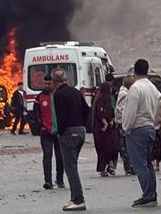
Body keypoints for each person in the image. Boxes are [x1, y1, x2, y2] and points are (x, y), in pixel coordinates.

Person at [121, 59, 161, 208]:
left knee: (139, 165)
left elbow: (130, 112)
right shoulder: (152, 87)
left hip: (137, 129)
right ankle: (152, 193)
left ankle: (148, 195)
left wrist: (126, 128)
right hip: (150, 128)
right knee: (148, 164)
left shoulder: (135, 88)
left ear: (134, 71)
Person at [53, 68, 89, 212]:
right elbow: (87, 110)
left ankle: (78, 200)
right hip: (81, 131)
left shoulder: (58, 94)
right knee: (72, 165)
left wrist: (61, 133)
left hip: (68, 132)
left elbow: (60, 117)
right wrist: (81, 124)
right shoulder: (75, 92)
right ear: (66, 79)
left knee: (70, 167)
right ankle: (76, 198)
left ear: (55, 82)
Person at [33, 74, 65, 189]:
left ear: (53, 83)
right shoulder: (40, 97)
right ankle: (48, 181)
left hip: (59, 131)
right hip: (46, 131)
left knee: (60, 156)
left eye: (49, 84)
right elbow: (36, 114)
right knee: (47, 156)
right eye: (45, 84)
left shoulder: (59, 95)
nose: (46, 86)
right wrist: (40, 126)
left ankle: (60, 180)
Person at [92, 81, 119, 177]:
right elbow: (100, 113)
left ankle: (110, 165)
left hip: (110, 128)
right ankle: (102, 168)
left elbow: (111, 111)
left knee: (113, 147)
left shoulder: (109, 99)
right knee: (103, 149)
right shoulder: (99, 99)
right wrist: (105, 122)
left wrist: (111, 120)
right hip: (101, 128)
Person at [115, 75, 135, 175]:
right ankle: (129, 167)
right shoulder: (125, 94)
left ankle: (130, 167)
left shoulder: (123, 92)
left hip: (122, 123)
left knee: (126, 147)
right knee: (126, 147)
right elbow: (122, 110)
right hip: (124, 124)